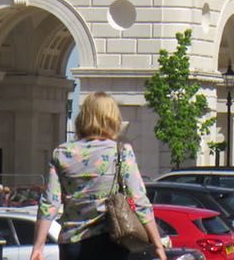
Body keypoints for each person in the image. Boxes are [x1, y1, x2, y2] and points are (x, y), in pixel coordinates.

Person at [30, 91, 169, 260]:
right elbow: (139, 200)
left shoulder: (62, 153)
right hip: (110, 241)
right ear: (112, 118)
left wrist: (38, 246)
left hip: (72, 244)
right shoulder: (121, 152)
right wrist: (157, 244)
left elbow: (49, 203)